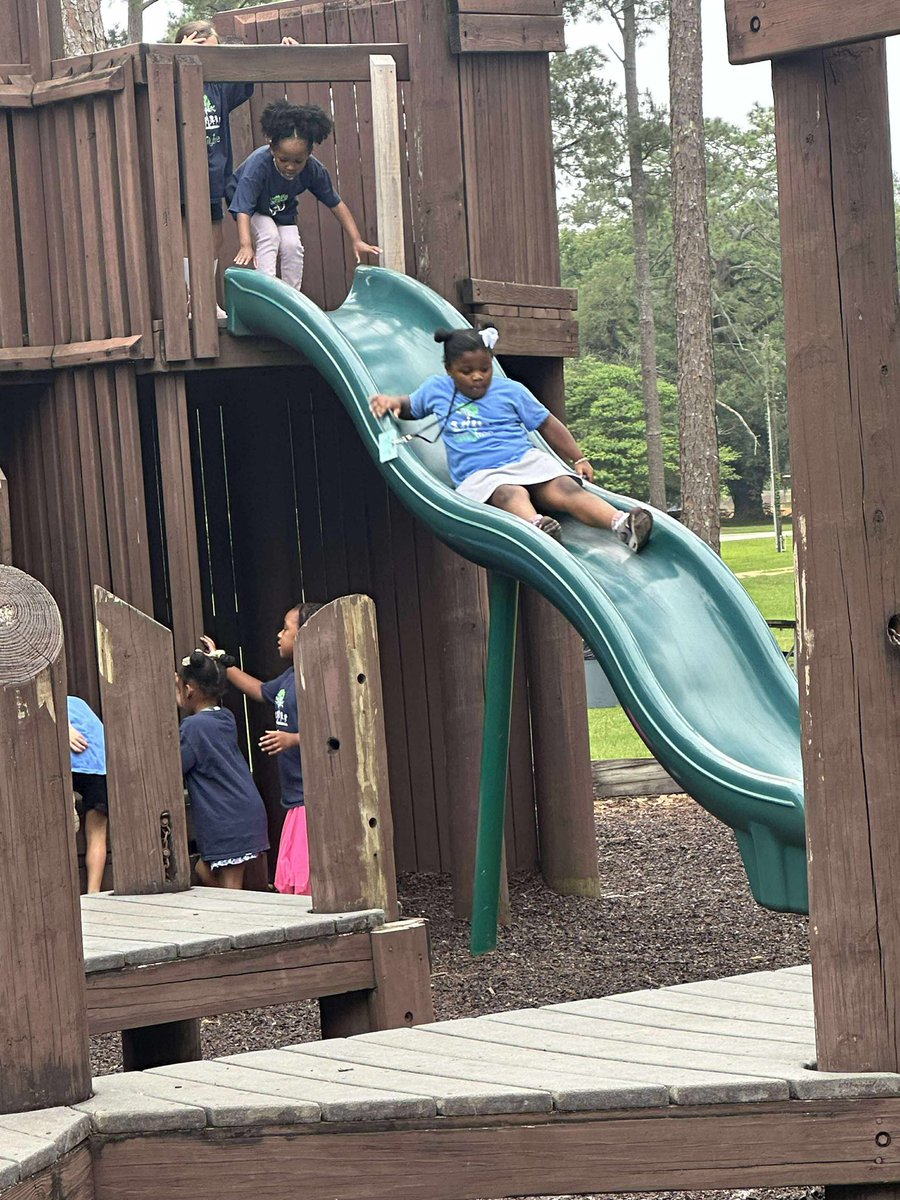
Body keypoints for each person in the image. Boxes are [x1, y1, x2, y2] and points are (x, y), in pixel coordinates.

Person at [369, 325, 654, 551]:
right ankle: (537, 527)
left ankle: (621, 524)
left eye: (485, 369)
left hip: (523, 460)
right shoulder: (437, 390)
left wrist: (578, 457)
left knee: (566, 487)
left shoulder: (511, 391)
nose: (477, 377)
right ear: (449, 370)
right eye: (466, 372)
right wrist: (392, 403)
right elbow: (411, 407)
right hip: (481, 473)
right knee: (510, 493)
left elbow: (548, 424)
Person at [173, 20, 299, 317]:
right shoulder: (171, 83)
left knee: (214, 238)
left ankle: (206, 301)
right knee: (184, 239)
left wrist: (279, 53)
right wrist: (176, 57)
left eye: (214, 53)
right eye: (201, 51)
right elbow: (156, 90)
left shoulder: (219, 86)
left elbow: (250, 71)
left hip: (213, 174)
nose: (208, 60)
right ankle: (192, 302)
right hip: (180, 174)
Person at [201, 601, 323, 895]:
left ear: (306, 636)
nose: (279, 635)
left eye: (286, 629)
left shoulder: (319, 678)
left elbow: (333, 731)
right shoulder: (289, 678)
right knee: (294, 877)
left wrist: (293, 739)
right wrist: (222, 663)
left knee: (308, 877)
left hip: (315, 795)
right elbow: (259, 690)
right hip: (295, 795)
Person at [227, 100, 379, 290]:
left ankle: (291, 295)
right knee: (269, 235)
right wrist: (246, 244)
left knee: (292, 246)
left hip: (281, 211)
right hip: (252, 208)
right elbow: (243, 208)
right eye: (284, 160)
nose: (290, 166)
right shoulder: (258, 166)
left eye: (298, 161)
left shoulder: (313, 170)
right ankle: (266, 290)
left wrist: (356, 239)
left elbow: (336, 204)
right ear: (272, 149)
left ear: (308, 154)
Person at [176, 647, 270, 889]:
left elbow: (177, 767)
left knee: (231, 890)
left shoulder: (193, 728)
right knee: (202, 870)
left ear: (188, 690)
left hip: (226, 818)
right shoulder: (224, 717)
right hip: (244, 810)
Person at [68, 696, 108, 894]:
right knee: (97, 833)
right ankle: (94, 893)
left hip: (70, 766)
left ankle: (68, 798)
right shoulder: (78, 703)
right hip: (100, 766)